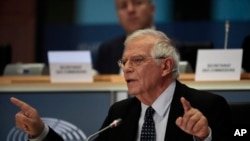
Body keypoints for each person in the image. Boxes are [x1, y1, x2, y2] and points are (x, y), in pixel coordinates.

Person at [11, 29, 232, 141]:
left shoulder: (208, 106)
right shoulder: (121, 113)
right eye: (124, 62)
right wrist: (41, 132)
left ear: (165, 67)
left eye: (136, 61)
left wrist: (205, 137)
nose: (126, 68)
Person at [94, 0, 156, 74]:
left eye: (137, 3)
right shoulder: (107, 50)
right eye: (123, 6)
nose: (130, 10)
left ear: (152, 9)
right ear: (117, 15)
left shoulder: (170, 47)